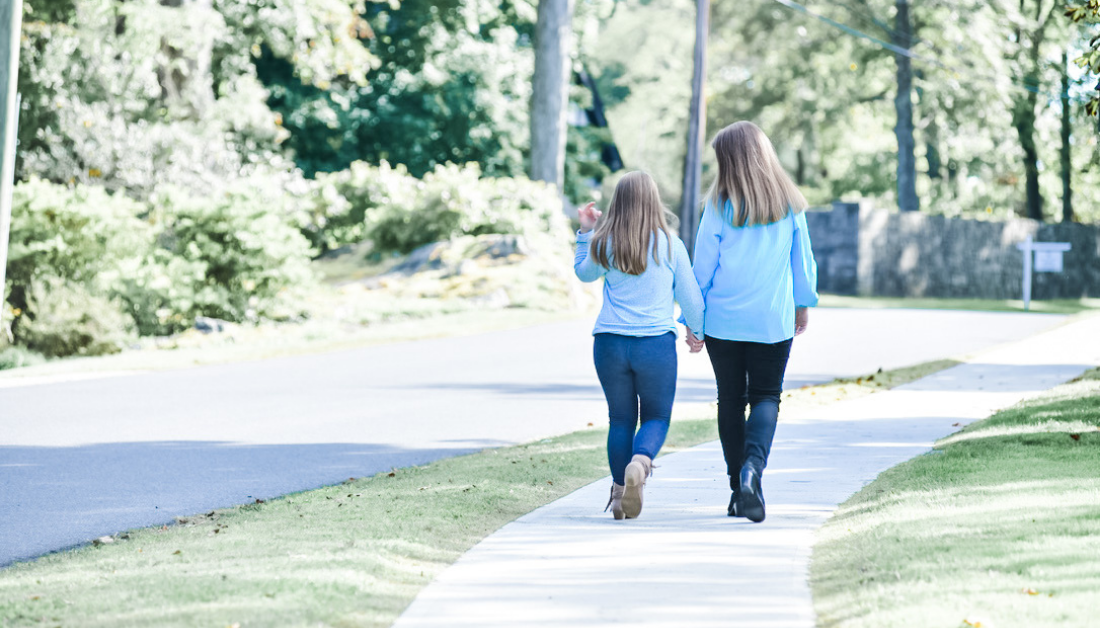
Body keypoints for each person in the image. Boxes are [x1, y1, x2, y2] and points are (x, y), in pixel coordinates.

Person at [684, 121, 819, 523]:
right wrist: (803, 303)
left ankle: (735, 488)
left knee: (730, 399)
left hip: (724, 321)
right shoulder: (790, 205)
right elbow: (803, 262)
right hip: (770, 321)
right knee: (765, 397)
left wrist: (693, 318)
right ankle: (752, 472)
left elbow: (701, 269)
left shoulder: (719, 208)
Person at [574, 171, 705, 520]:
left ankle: (619, 496)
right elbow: (691, 298)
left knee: (620, 420)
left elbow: (583, 274)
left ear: (617, 202)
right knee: (656, 416)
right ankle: (641, 465)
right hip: (654, 345)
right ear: (653, 201)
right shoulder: (670, 245)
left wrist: (586, 232)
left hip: (609, 344)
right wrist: (696, 331)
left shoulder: (604, 242)